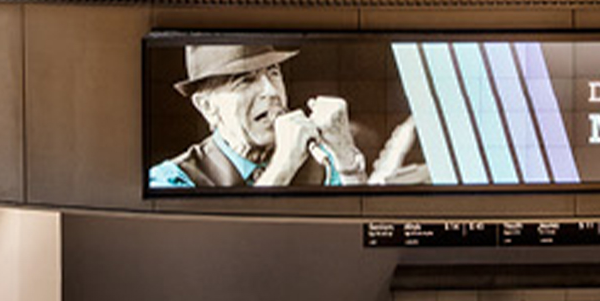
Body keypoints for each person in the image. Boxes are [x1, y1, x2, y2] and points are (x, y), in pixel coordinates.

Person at [146, 43, 418, 189]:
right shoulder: (171, 180)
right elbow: (226, 255)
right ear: (207, 106)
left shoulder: (321, 161)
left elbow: (357, 242)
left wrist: (346, 160)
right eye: (245, 80)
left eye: (274, 73)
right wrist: (283, 165)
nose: (271, 91)